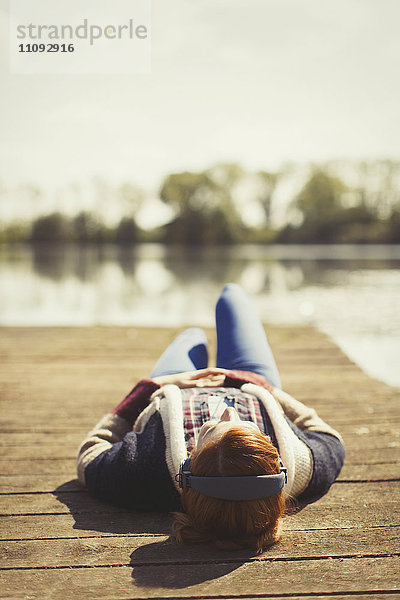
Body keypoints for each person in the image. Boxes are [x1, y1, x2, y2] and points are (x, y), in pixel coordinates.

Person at [77, 283, 345, 553]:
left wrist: (150, 387)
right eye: (246, 426)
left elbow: (90, 454)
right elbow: (327, 436)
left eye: (209, 430)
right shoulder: (301, 467)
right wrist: (265, 388)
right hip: (247, 379)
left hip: (177, 384)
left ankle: (193, 342)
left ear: (190, 463)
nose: (229, 412)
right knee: (232, 295)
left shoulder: (143, 471)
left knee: (192, 338)